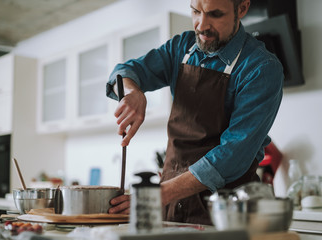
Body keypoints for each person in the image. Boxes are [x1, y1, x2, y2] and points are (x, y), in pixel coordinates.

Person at [106, 0, 283, 225]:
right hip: (168, 208)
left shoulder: (261, 67)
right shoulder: (181, 48)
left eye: (215, 14)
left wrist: (158, 195)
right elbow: (124, 72)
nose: (201, 25)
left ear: (242, 8)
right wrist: (132, 92)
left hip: (224, 213)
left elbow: (233, 155)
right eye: (195, 11)